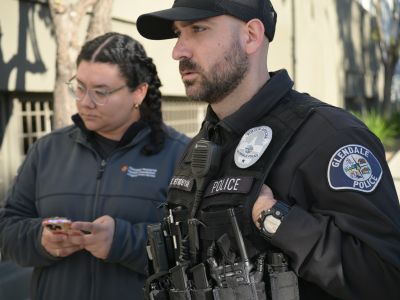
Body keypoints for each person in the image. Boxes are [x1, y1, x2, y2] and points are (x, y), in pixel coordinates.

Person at [136, 1, 400, 299]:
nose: (178, 51)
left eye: (198, 29)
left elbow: (386, 276)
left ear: (251, 36)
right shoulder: (201, 144)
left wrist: (276, 219)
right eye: (178, 33)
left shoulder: (330, 137)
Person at [0, 32, 189, 300]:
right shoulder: (47, 150)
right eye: (79, 87)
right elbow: (7, 231)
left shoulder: (180, 155)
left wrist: (122, 242)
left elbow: (195, 252)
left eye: (101, 92)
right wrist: (39, 239)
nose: (85, 102)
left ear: (139, 92)